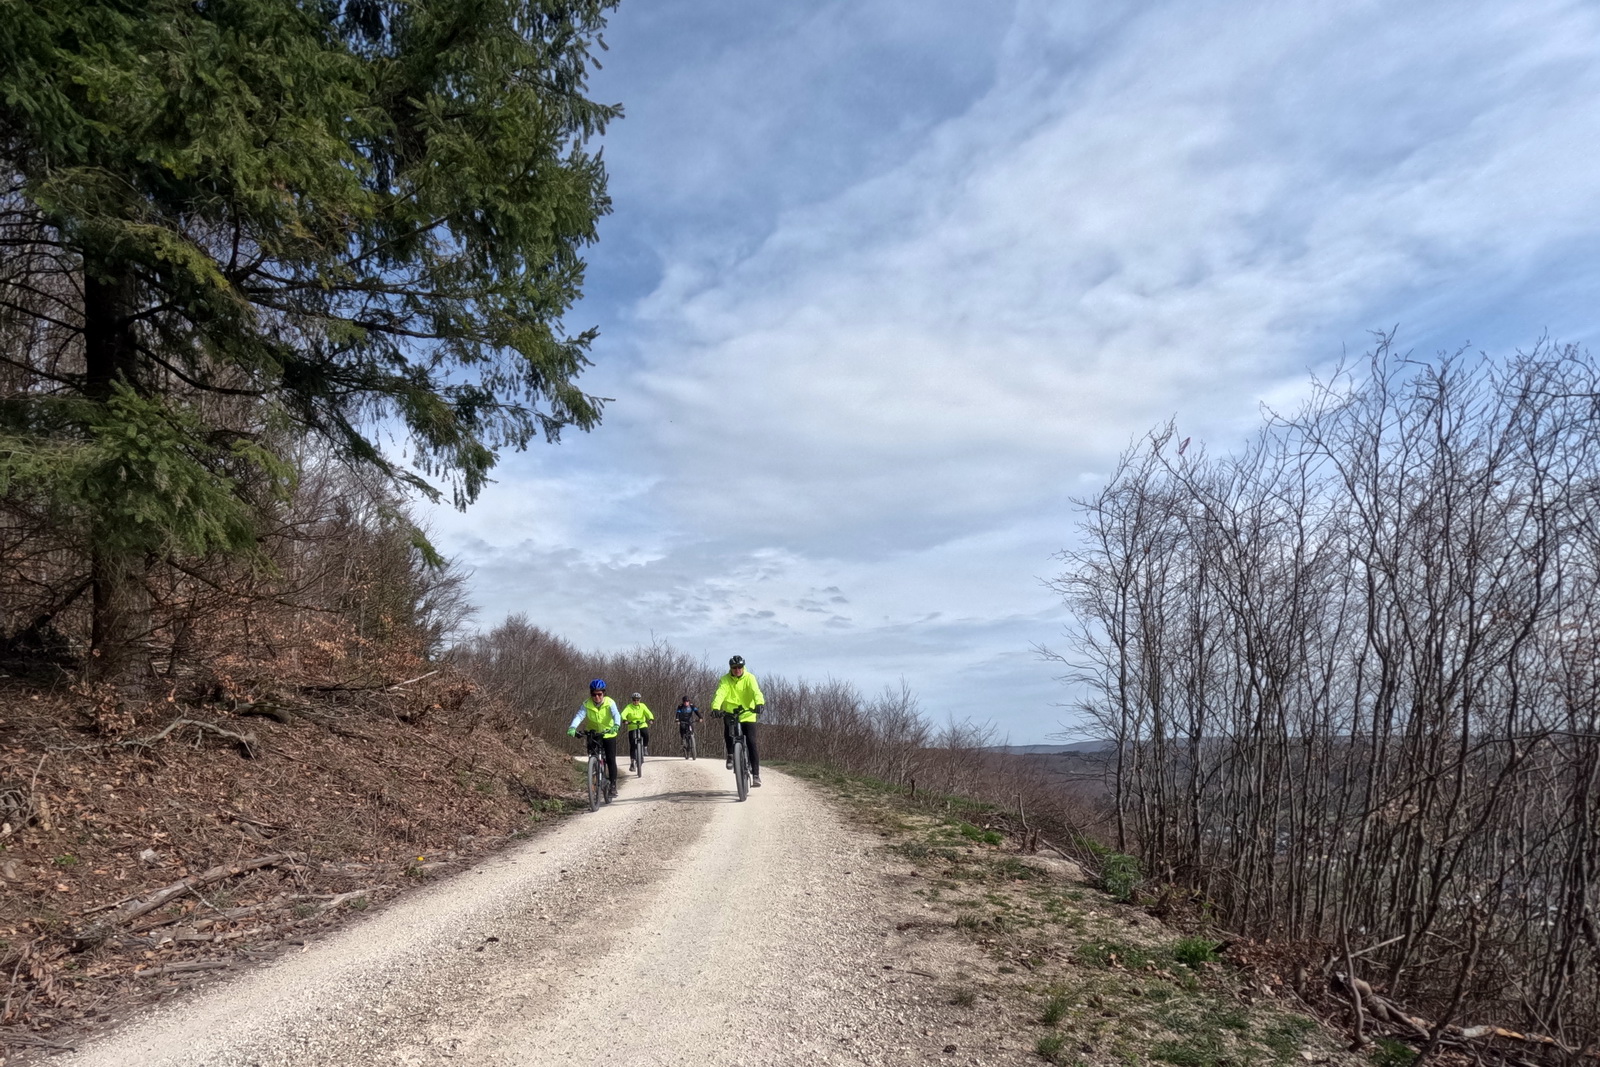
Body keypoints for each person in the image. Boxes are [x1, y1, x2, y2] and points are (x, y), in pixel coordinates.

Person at [711, 654, 766, 787]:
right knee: (728, 731)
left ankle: (756, 775)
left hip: (748, 714)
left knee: (752, 742)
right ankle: (731, 754)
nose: (737, 670)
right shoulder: (725, 679)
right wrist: (715, 707)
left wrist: (759, 703)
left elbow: (756, 691)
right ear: (731, 668)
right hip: (731, 713)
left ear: (743, 667)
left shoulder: (750, 678)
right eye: (734, 667)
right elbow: (720, 693)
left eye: (740, 667)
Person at [567, 679, 621, 798]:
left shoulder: (610, 703)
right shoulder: (586, 704)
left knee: (611, 759)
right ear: (591, 694)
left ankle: (613, 785)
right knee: (593, 757)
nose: (596, 697)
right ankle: (595, 775)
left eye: (599, 694)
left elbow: (616, 714)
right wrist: (572, 727)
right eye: (594, 694)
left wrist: (616, 726)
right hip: (593, 733)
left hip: (609, 733)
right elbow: (579, 716)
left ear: (603, 693)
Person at [621, 692, 654, 771]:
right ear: (632, 700)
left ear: (640, 700)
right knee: (632, 744)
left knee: (646, 734)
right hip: (632, 726)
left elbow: (648, 712)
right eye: (634, 700)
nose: (636, 701)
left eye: (637, 700)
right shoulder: (629, 707)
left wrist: (651, 719)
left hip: (642, 724)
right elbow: (623, 714)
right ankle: (632, 761)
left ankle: (645, 747)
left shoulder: (642, 706)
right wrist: (625, 720)